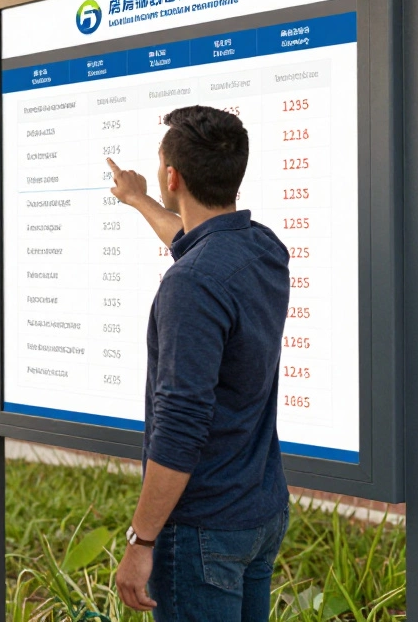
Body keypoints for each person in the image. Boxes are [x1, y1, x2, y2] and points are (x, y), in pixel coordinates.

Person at [107, 105, 291, 620]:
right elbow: (192, 241)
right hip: (259, 509)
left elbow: (180, 426)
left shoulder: (191, 285)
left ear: (173, 176)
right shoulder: (262, 247)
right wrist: (138, 199)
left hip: (203, 528)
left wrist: (141, 542)